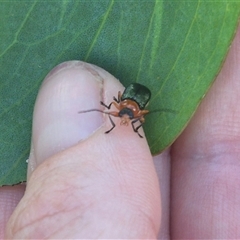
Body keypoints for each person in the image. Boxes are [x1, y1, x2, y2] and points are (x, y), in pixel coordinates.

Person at [2, 27, 240, 239]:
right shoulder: (121, 105)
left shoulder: (132, 111)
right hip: (132, 96)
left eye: (129, 117)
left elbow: (135, 112)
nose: (125, 120)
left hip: (135, 96)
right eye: (125, 116)